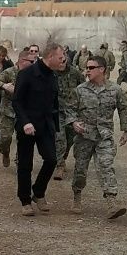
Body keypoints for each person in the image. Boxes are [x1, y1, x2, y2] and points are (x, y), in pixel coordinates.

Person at [68, 55, 127, 219]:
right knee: (81, 170)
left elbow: (123, 108)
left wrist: (126, 130)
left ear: (102, 69)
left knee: (106, 166)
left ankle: (111, 203)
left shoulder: (114, 89)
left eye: (91, 68)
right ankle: (77, 196)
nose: (87, 71)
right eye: (86, 68)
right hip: (84, 136)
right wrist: (74, 123)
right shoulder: (80, 90)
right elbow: (69, 110)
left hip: (104, 136)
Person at [13, 42, 66, 216]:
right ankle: (25, 200)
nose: (63, 60)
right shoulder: (27, 74)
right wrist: (25, 122)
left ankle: (38, 192)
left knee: (51, 160)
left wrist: (56, 126)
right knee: (25, 164)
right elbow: (17, 101)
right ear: (50, 57)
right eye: (60, 57)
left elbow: (54, 103)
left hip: (46, 125)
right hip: (27, 126)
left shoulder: (53, 76)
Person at [0, 49, 33, 167]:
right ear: (22, 61)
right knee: (4, 139)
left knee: (23, 140)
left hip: (24, 113)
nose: (33, 64)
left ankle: (20, 160)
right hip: (8, 111)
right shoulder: (10, 72)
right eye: (31, 61)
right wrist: (4, 86)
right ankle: (5, 153)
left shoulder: (33, 75)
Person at [53, 51, 85, 180]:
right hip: (57, 111)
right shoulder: (51, 73)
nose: (61, 63)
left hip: (73, 112)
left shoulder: (75, 73)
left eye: (63, 61)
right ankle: (59, 165)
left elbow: (83, 88)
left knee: (70, 138)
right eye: (59, 61)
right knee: (59, 137)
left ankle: (63, 157)